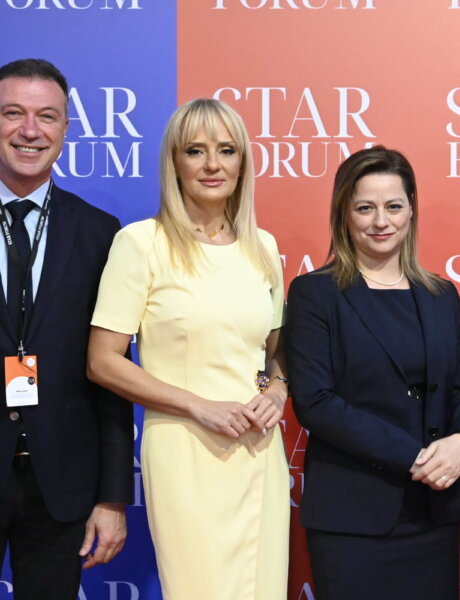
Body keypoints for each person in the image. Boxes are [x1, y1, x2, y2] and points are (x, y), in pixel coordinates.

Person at [87, 98, 290, 600]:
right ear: (174, 163)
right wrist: (200, 406)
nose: (212, 165)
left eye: (226, 150)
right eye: (195, 151)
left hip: (259, 451)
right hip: (184, 450)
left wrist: (277, 392)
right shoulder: (141, 243)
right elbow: (102, 361)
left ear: (243, 162)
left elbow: (276, 352)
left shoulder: (263, 247)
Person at [284, 146, 460, 600]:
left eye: (393, 206)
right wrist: (415, 457)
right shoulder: (316, 293)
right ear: (344, 213)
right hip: (352, 518)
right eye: (365, 208)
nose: (380, 221)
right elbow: (315, 402)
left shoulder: (440, 295)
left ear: (411, 209)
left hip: (433, 513)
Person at [0, 58, 133, 599]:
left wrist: (113, 497)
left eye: (47, 116)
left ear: (65, 130)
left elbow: (113, 373)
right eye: (13, 113)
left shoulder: (101, 233)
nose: (30, 130)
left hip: (61, 485)